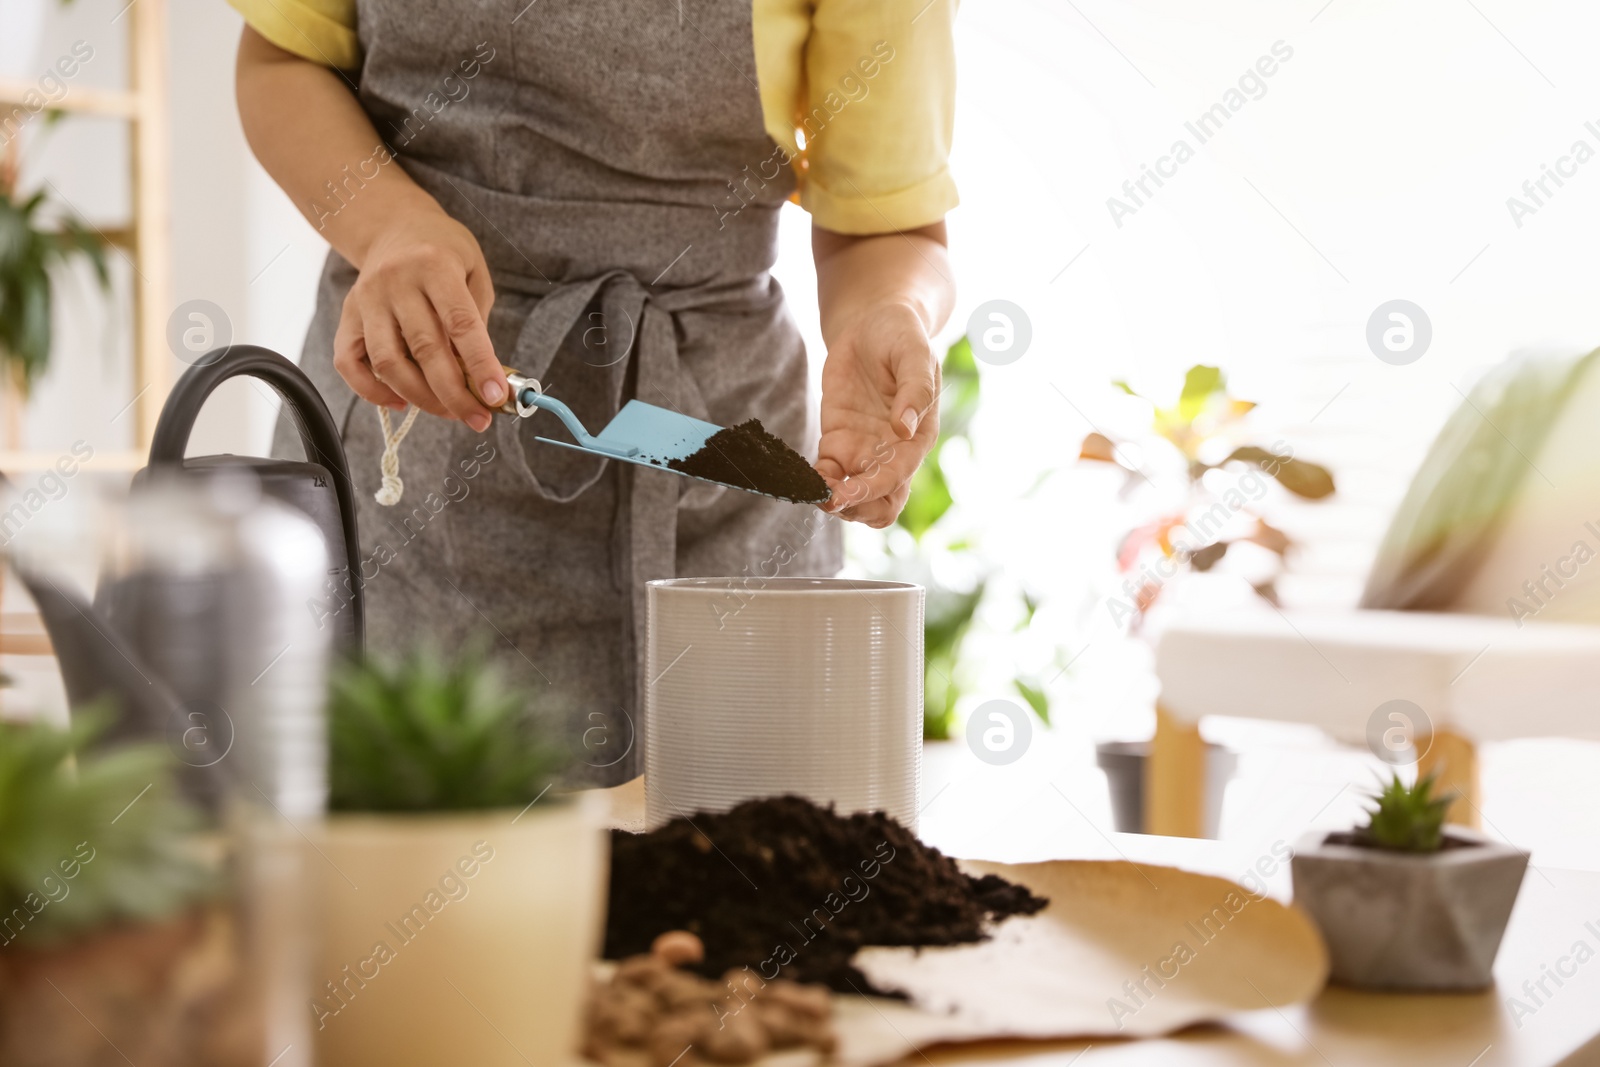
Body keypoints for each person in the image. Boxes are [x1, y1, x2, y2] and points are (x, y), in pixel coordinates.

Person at [232, 0, 957, 784]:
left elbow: (888, 223)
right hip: (411, 444)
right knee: (402, 866)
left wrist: (891, 310)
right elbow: (280, 61)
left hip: (722, 471)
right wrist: (389, 228)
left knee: (747, 864)